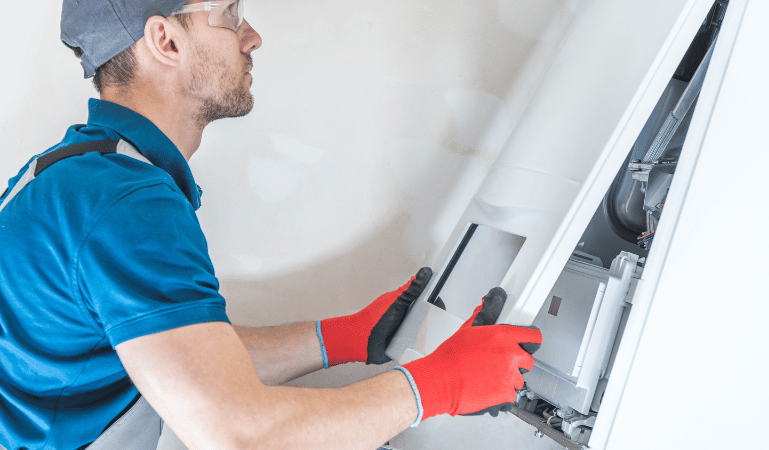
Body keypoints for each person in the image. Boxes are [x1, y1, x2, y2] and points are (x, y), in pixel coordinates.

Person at [0, 1, 543, 449]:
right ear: (165, 41)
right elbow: (238, 433)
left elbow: (174, 357)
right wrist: (434, 386)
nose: (252, 37)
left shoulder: (74, 170)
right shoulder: (126, 202)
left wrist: (338, 338)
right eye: (230, 15)